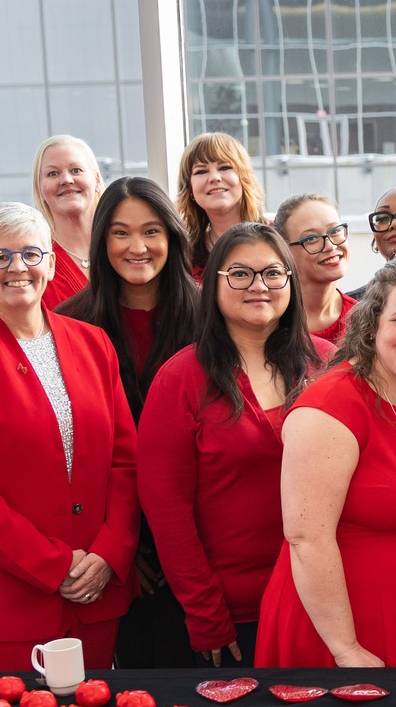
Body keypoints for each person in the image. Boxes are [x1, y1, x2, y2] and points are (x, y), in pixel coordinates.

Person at [0, 203, 139, 675]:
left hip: (96, 594)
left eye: (31, 254)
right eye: (0, 257)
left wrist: (109, 553)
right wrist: (55, 565)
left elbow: (126, 462)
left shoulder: (94, 343)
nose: (17, 268)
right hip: (6, 605)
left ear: (53, 264)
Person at [256, 254, 396, 668]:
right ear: (372, 325)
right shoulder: (332, 404)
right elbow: (306, 538)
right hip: (344, 627)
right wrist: (345, 649)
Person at [139, 224, 329, 667]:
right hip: (235, 616)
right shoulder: (179, 379)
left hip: (324, 600)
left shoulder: (327, 365)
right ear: (213, 285)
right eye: (240, 274)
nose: (259, 286)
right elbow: (166, 510)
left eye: (273, 273)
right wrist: (205, 613)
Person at [55, 178, 200, 668]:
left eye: (151, 231)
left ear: (172, 237)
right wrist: (123, 545)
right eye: (120, 233)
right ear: (101, 242)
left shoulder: (211, 318)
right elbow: (70, 448)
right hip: (114, 551)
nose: (137, 247)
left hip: (204, 543)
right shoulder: (68, 325)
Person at [176, 132, 268, 279]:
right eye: (201, 171)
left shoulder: (276, 239)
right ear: (190, 189)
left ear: (243, 178)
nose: (214, 178)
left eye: (224, 168)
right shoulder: (183, 255)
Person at [32, 134, 103, 309]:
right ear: (39, 190)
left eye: (76, 170)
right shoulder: (34, 263)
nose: (66, 180)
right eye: (53, 173)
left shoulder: (124, 248)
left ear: (97, 180)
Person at [275, 193, 356, 347]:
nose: (330, 246)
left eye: (335, 231)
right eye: (311, 238)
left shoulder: (365, 320)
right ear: (285, 251)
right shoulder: (270, 321)